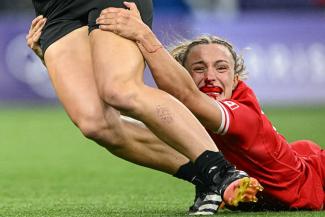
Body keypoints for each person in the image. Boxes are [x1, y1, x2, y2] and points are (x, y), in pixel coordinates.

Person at [28, 0, 262, 215]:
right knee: (95, 123)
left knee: (120, 89)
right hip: (55, 8)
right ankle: (205, 179)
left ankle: (222, 172)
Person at [93, 3, 325, 211]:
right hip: (291, 160)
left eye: (221, 68)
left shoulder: (243, 116)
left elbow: (186, 95)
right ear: (183, 74)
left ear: (236, 80)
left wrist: (142, 34)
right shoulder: (182, 118)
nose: (211, 77)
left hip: (316, 181)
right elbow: (120, 127)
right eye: (199, 68)